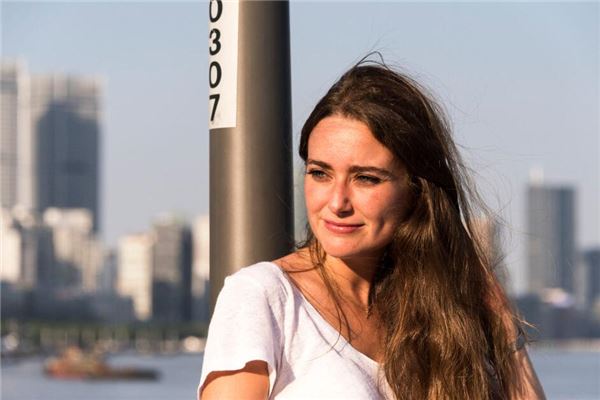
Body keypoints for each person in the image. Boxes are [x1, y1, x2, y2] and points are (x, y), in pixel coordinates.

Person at [198, 59, 546, 399]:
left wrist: (502, 323)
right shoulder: (264, 296)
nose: (337, 202)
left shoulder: (441, 315)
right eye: (320, 173)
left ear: (416, 191)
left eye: (365, 178)